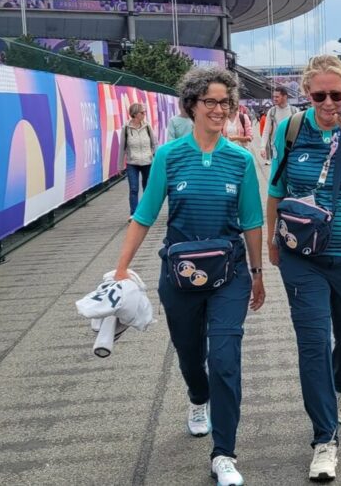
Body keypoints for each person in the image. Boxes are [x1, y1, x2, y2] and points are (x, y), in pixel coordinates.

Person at [113, 67, 265, 486]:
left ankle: (225, 454)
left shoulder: (240, 160)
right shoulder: (169, 155)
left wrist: (257, 272)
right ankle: (198, 399)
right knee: (188, 352)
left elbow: (251, 220)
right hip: (179, 275)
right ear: (192, 106)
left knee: (225, 359)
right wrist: (123, 265)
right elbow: (144, 214)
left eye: (226, 103)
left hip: (229, 272)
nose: (220, 110)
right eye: (211, 102)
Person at [266, 55, 341, 482]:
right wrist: (270, 241)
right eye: (320, 95)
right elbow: (277, 187)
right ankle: (323, 439)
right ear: (307, 94)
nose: (330, 103)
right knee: (313, 343)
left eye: (338, 94)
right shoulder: (291, 129)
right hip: (303, 257)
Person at [120, 103, 157, 218]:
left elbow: (154, 143)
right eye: (142, 112)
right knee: (134, 188)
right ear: (135, 114)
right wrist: (120, 165)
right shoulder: (126, 128)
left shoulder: (147, 126)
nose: (144, 114)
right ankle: (134, 214)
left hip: (147, 162)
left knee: (147, 188)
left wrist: (155, 158)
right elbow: (122, 147)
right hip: (132, 163)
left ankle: (146, 212)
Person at [261, 86, 299, 165]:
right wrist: (262, 147)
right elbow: (266, 130)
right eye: (273, 97)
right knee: (276, 173)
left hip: (292, 148)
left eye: (277, 97)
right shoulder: (272, 112)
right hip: (276, 148)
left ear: (285, 97)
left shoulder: (294, 111)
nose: (274, 99)